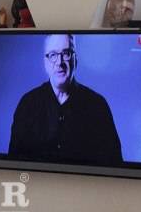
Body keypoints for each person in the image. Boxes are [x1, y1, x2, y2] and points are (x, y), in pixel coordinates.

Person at [8, 34, 122, 165]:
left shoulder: (97, 106)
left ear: (75, 59)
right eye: (53, 55)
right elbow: (13, 163)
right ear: (45, 62)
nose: (59, 62)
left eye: (66, 53)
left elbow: (114, 164)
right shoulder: (27, 104)